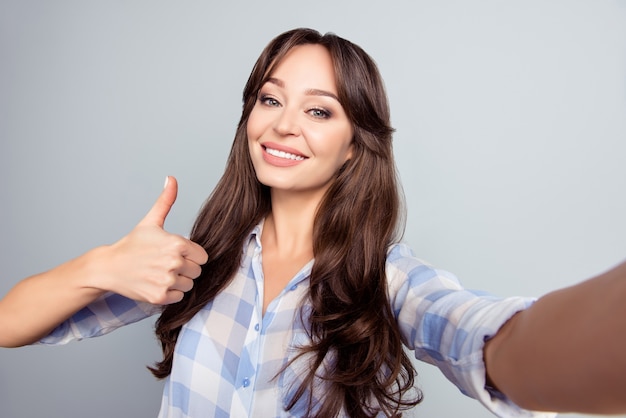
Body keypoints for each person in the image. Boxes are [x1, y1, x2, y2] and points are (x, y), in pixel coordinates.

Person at [1, 28, 625, 418]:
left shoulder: (385, 280)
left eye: (319, 111)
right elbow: (8, 325)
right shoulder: (196, 261)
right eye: (270, 100)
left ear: (355, 144)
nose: (282, 126)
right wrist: (100, 266)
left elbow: (485, 337)